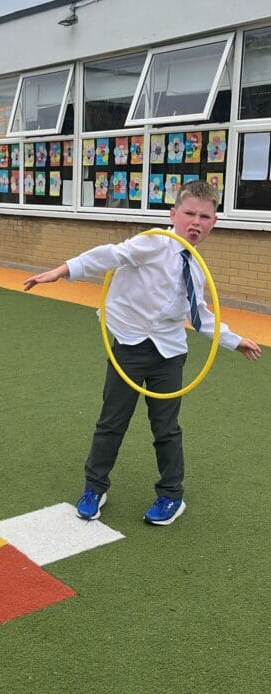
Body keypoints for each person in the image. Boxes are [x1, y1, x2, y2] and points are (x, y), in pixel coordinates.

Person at [23, 181, 262, 526]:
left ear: (214, 222)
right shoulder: (153, 242)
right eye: (190, 214)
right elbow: (112, 255)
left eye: (204, 217)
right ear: (173, 214)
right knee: (112, 421)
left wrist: (234, 341)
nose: (196, 222)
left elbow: (199, 315)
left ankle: (171, 495)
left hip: (169, 354)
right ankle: (94, 488)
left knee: (166, 428)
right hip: (130, 345)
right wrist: (64, 270)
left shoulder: (195, 266)